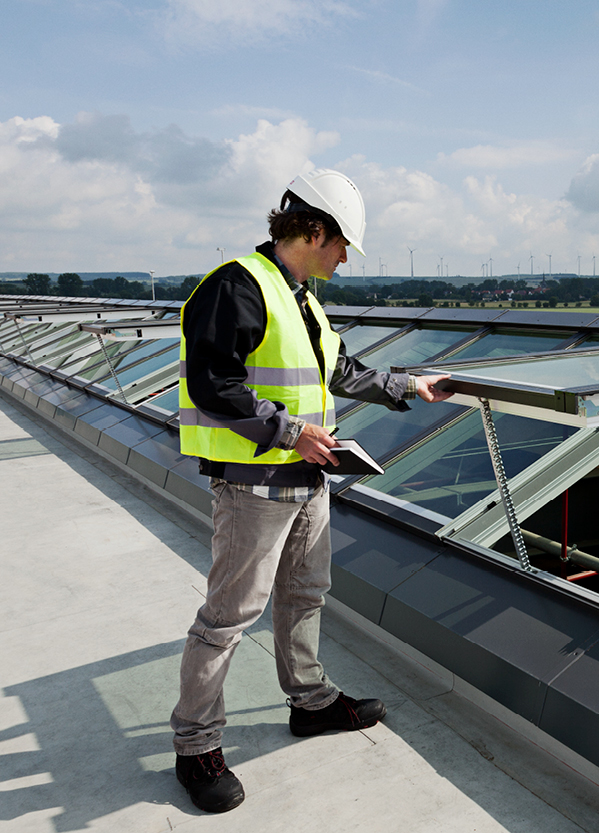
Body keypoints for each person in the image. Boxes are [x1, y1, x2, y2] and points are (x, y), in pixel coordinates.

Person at [171, 168, 451, 813]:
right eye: (341, 244)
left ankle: (312, 702)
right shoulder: (237, 287)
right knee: (226, 620)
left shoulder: (299, 294)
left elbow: (337, 369)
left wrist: (407, 386)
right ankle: (195, 746)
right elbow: (214, 383)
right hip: (254, 485)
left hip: (307, 477)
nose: (345, 258)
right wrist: (291, 431)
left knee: (305, 594)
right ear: (314, 229)